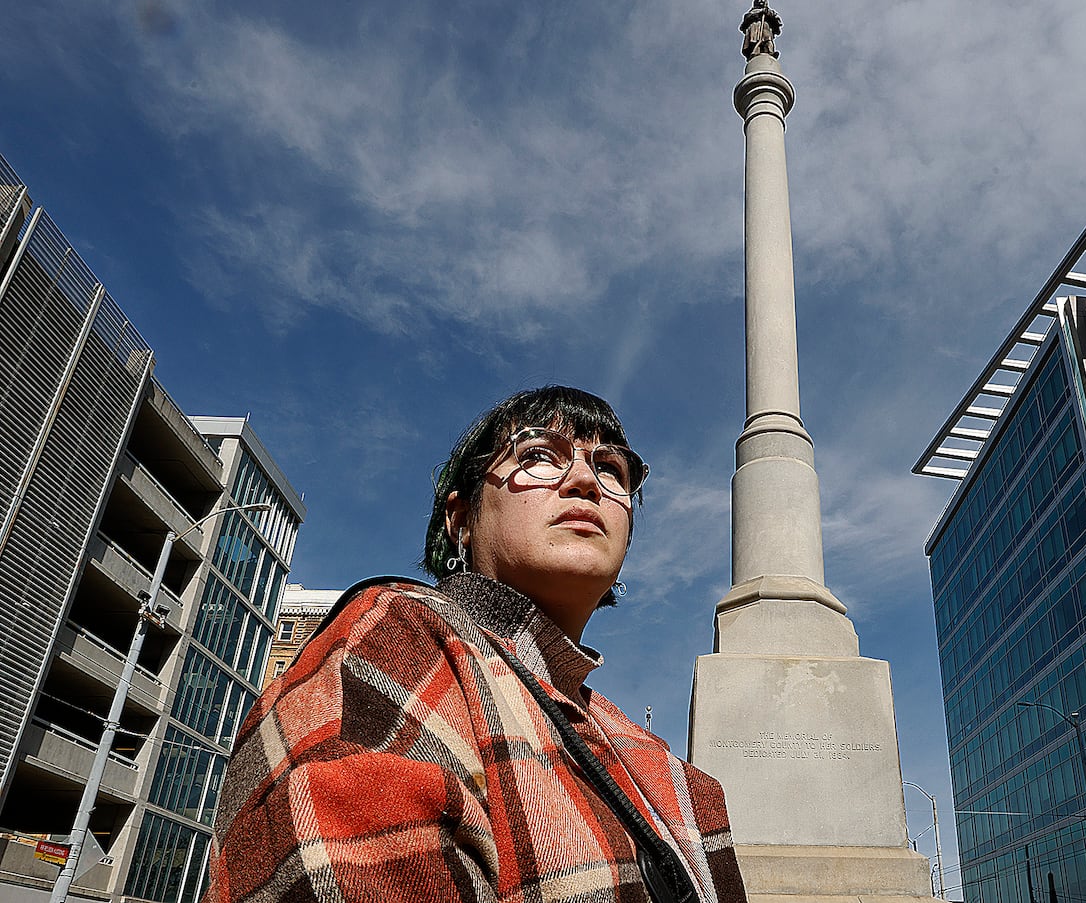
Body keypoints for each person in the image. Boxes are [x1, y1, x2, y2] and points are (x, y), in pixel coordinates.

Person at [205, 386, 746, 903]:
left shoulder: (661, 765)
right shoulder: (400, 639)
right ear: (460, 519)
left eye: (610, 468)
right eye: (538, 454)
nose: (586, 480)